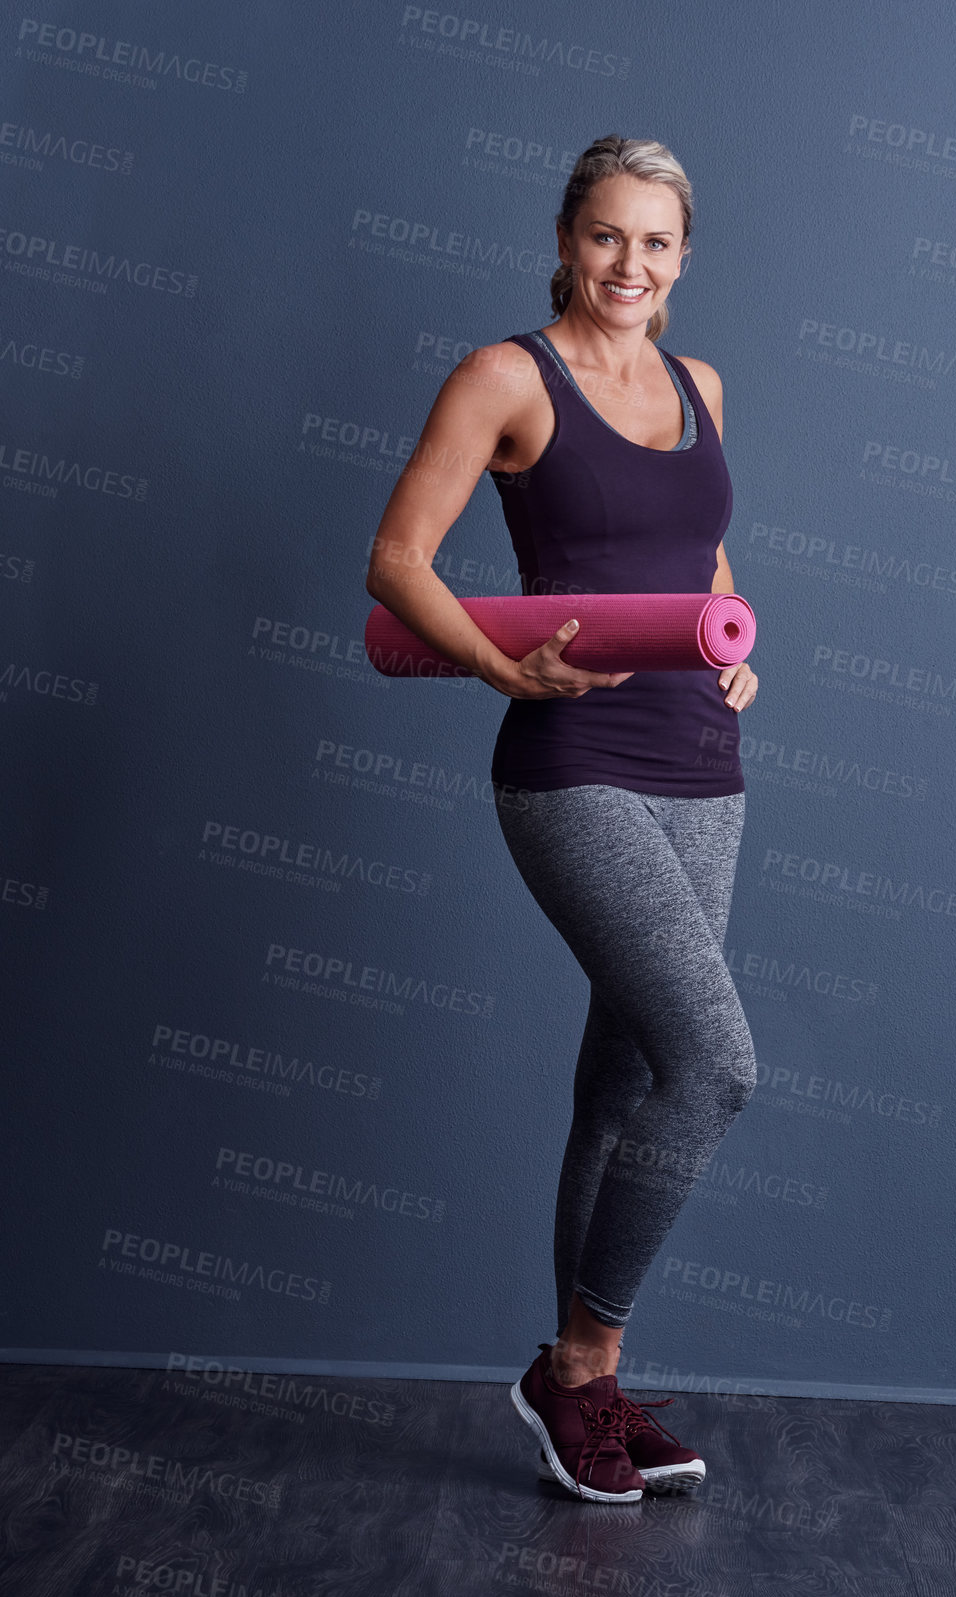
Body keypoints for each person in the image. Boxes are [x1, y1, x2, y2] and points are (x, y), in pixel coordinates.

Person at [366, 135, 759, 1504]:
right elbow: (395, 558)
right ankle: (574, 1358)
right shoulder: (503, 377)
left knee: (625, 1079)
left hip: (703, 763)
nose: (628, 267)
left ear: (682, 257)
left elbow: (695, 550)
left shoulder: (700, 383)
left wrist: (730, 642)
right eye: (606, 237)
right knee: (715, 1066)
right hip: (570, 754)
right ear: (565, 237)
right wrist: (494, 660)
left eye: (655, 244)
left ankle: (584, 1395)